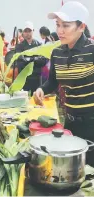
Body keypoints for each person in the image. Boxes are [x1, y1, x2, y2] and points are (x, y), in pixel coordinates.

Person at [33, 1, 94, 167]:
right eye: (58, 25)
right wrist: (41, 89)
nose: (60, 31)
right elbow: (53, 80)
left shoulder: (91, 50)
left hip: (92, 122)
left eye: (66, 26)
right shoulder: (57, 52)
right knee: (75, 168)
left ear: (81, 27)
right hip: (70, 121)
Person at [15, 21, 48, 95]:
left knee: (36, 99)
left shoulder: (39, 45)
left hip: (37, 78)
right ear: (23, 32)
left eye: (29, 31)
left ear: (33, 31)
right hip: (24, 79)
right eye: (25, 31)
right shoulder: (19, 46)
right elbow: (20, 62)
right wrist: (35, 59)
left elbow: (43, 61)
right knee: (24, 100)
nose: (27, 33)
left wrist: (29, 59)